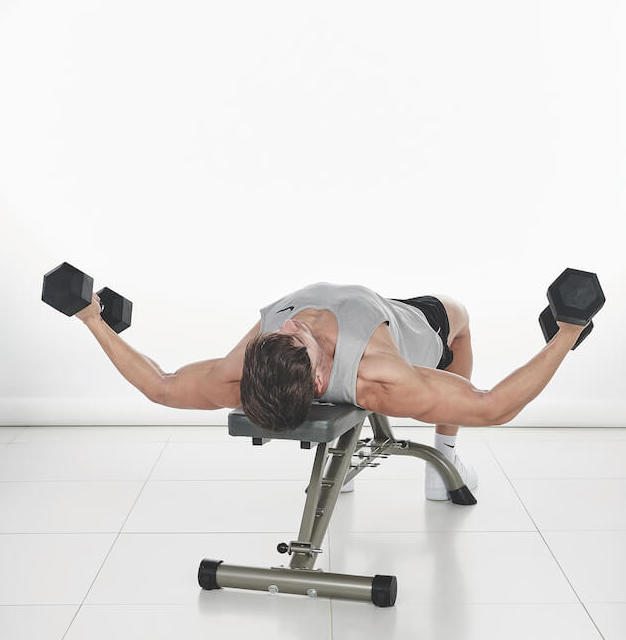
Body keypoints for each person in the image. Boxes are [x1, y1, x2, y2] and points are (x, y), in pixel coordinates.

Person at [76, 281, 588, 501]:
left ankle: (341, 475)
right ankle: (445, 459)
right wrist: (567, 333)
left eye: (283, 332)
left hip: (373, 310)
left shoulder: (247, 359)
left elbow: (161, 386)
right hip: (405, 321)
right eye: (294, 335)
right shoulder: (382, 376)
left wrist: (92, 318)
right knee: (460, 320)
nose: (292, 322)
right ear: (321, 382)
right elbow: (493, 405)